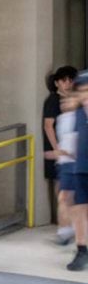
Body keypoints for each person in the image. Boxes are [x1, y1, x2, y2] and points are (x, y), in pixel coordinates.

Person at [42, 66, 77, 234]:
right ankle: (63, 225)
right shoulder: (53, 100)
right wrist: (57, 150)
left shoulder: (72, 99)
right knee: (61, 189)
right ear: (57, 83)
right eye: (64, 80)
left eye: (70, 80)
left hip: (68, 152)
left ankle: (67, 224)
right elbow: (48, 126)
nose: (68, 83)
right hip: (58, 150)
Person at [68, 73, 88, 272]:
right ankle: (82, 249)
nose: (84, 94)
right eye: (81, 91)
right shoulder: (79, 112)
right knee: (80, 209)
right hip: (81, 167)